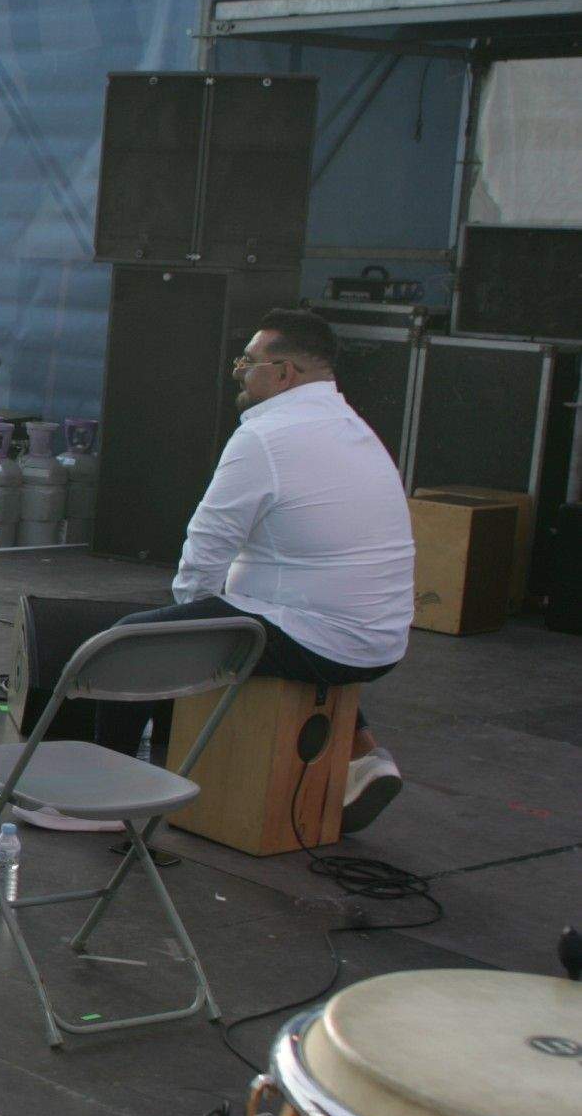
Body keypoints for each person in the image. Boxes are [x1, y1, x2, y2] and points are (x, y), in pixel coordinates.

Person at [118, 309, 414, 832]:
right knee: (267, 619)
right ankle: (362, 755)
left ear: (284, 374)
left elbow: (206, 548)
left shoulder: (265, 436)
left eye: (247, 361)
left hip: (323, 637)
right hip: (380, 639)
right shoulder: (353, 428)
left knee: (127, 642)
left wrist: (191, 633)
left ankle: (97, 799)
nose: (237, 370)